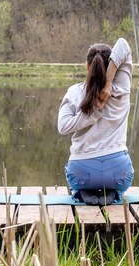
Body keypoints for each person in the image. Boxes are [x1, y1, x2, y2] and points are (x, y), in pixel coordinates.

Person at [57, 38, 134, 205]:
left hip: (82, 173)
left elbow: (62, 127)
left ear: (87, 66)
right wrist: (108, 83)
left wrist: (91, 113)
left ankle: (83, 192)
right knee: (119, 178)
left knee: (77, 177)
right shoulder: (121, 89)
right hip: (118, 173)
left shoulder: (74, 91)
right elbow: (123, 45)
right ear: (114, 66)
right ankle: (113, 192)